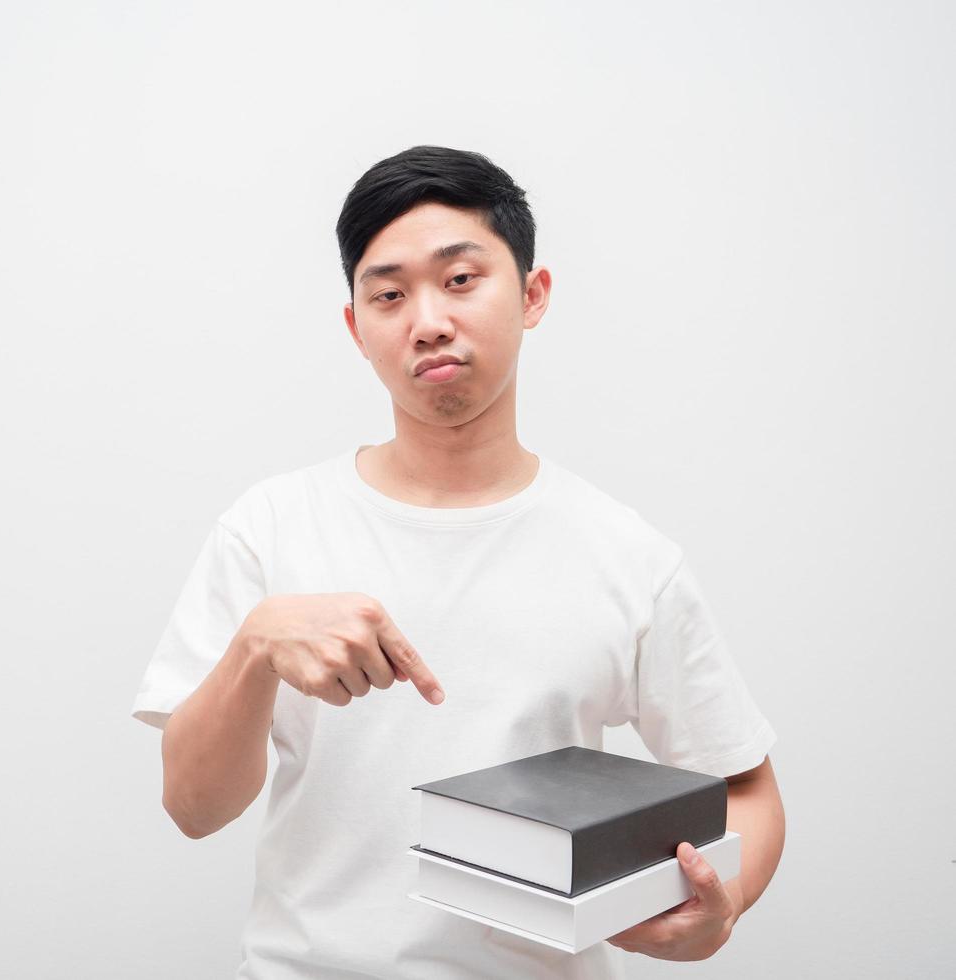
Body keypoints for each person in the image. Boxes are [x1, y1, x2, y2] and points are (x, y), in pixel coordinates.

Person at [130, 145, 786, 979]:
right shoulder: (268, 528)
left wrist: (716, 913)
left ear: (532, 294)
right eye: (389, 294)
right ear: (356, 328)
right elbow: (193, 808)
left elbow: (747, 788)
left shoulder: (626, 555)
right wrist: (256, 647)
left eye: (461, 279)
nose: (427, 320)